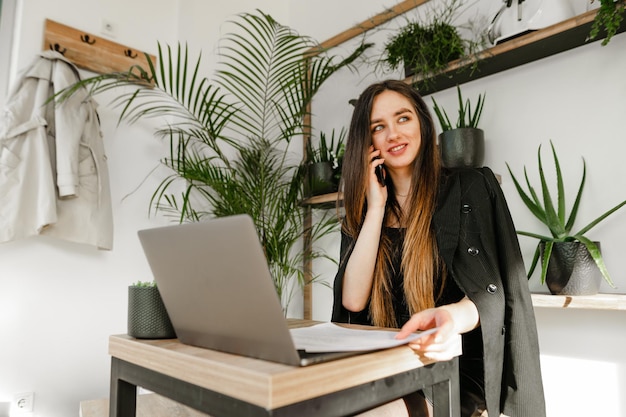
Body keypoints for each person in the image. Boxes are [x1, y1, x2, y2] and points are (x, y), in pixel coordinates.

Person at [331, 80, 546, 417]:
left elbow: (491, 292)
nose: (393, 134)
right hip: (388, 365)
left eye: (403, 118)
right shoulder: (365, 210)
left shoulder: (470, 187)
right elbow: (353, 301)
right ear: (367, 142)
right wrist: (375, 208)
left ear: (423, 124)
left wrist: (449, 318)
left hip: (451, 366)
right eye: (378, 127)